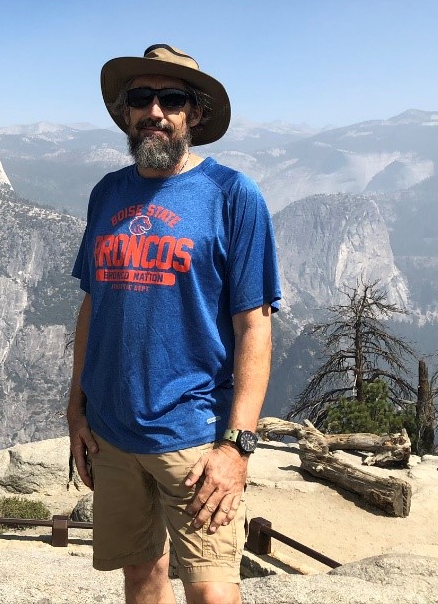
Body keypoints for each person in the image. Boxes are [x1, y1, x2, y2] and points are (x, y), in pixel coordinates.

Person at [68, 43, 280, 604]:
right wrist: (77, 408)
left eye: (173, 99)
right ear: (127, 112)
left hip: (194, 436)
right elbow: (93, 305)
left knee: (211, 591)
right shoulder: (107, 193)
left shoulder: (234, 196)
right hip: (112, 433)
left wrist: (236, 448)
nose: (155, 111)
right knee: (140, 577)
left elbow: (255, 329)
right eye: (142, 97)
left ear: (197, 114)